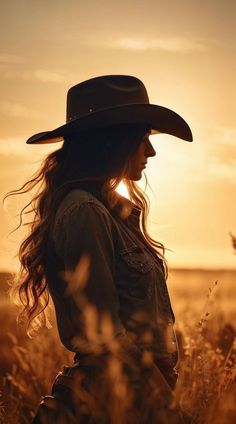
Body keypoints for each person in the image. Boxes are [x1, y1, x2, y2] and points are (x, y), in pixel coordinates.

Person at [7, 75, 193, 423]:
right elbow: (107, 338)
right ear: (114, 142)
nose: (151, 151)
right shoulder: (85, 213)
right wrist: (167, 409)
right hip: (111, 402)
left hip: (130, 398)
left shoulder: (109, 211)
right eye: (142, 140)